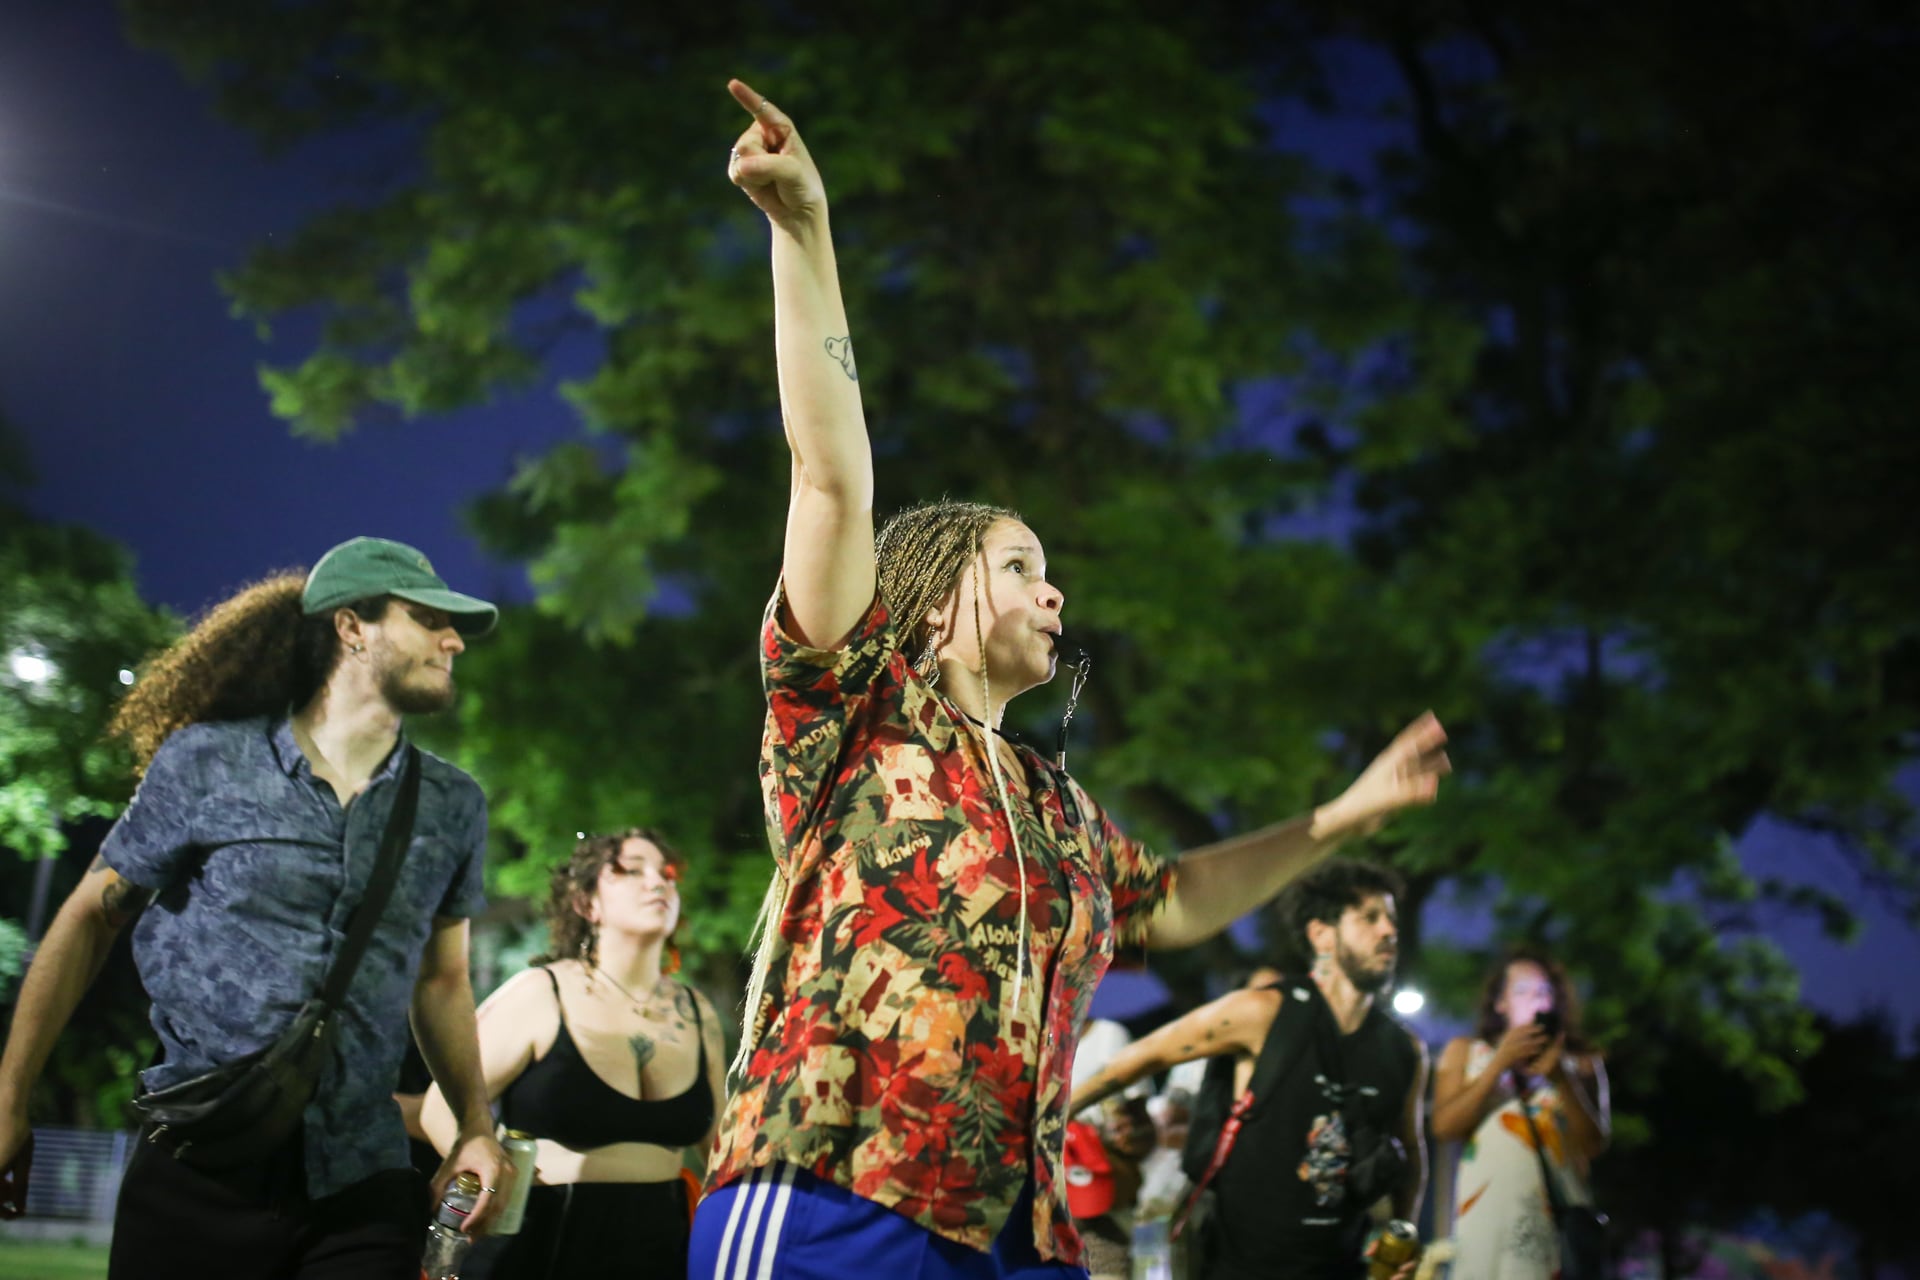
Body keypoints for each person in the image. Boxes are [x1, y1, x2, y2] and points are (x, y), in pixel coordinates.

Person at [693, 77, 1452, 1280]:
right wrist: (805, 227)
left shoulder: (1056, 807)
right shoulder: (855, 710)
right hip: (835, 1193)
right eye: (1022, 567)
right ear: (933, 596)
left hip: (1021, 1231)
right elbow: (830, 474)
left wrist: (1344, 815)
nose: (1055, 595)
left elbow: (1179, 899)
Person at [0, 537, 512, 1278]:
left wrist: (474, 1126)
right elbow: (89, 917)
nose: (453, 640)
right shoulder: (209, 762)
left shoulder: (453, 803)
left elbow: (442, 981)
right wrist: (10, 1098)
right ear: (351, 626)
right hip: (198, 1168)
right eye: (427, 619)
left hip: (360, 1181)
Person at [1071, 860, 1430, 1280]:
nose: (1388, 931)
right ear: (1321, 934)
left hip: (1344, 1269)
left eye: (1390, 918)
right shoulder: (1263, 1012)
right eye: (1369, 917)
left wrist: (1403, 1236)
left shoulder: (1405, 1049)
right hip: (1240, 1269)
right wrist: (1048, 1120)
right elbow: (1141, 1057)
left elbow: (1411, 1151)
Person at [419, 828, 725, 1279]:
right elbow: (439, 1108)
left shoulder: (696, 1011)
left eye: (667, 874)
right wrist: (491, 1178)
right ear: (586, 904)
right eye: (631, 871)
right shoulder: (542, 992)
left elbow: (721, 1147)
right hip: (545, 1242)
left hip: (662, 1244)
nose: (658, 882)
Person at [1431, 947, 1609, 1280]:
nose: (1535, 1000)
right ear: (1501, 1003)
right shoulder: (1465, 1053)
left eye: (1544, 992)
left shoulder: (1581, 1063)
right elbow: (1444, 1127)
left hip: (1553, 1233)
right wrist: (1498, 1063)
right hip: (1487, 1229)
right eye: (1522, 991)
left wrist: (1561, 1078)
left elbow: (1594, 1144)